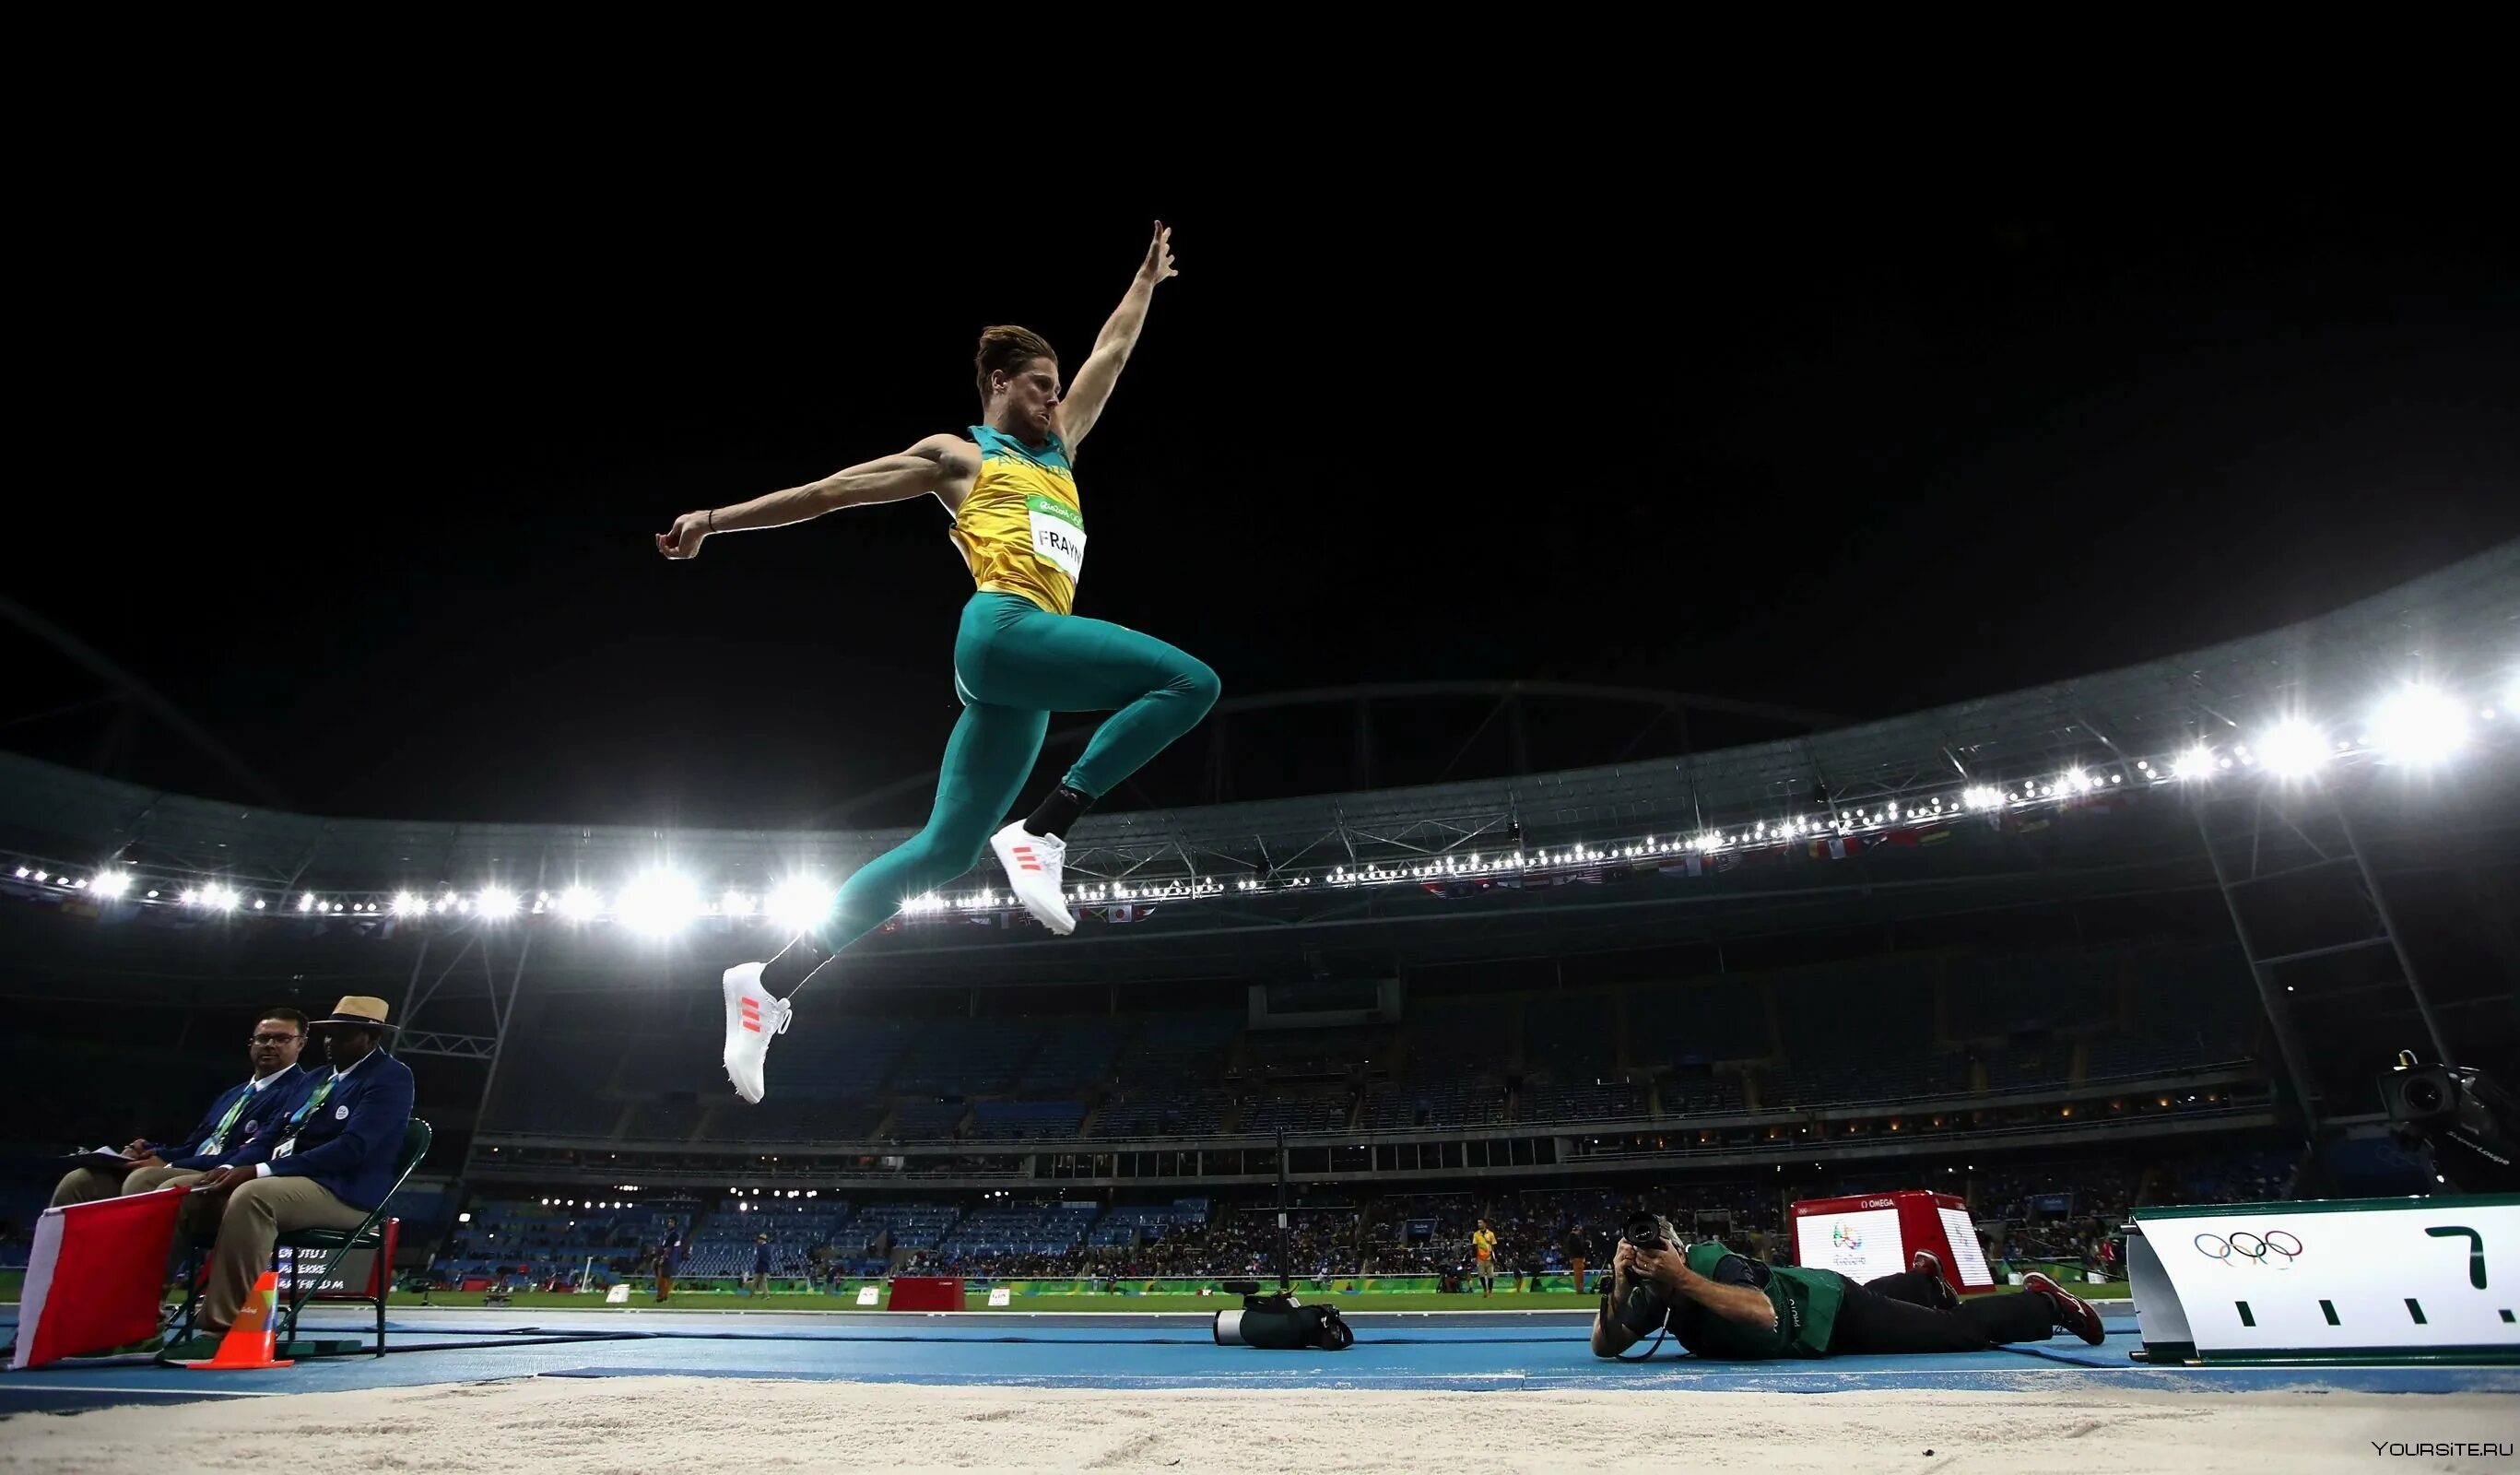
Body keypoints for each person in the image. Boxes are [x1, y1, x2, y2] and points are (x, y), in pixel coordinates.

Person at [657, 223, 1218, 1105]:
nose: (1052, 398)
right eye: (1038, 386)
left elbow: (1113, 349)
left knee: (944, 850)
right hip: (1001, 630)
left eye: (1056, 388)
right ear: (999, 384)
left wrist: (1145, 281)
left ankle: (767, 983)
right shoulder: (961, 455)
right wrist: (716, 520)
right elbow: (827, 493)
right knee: (1191, 681)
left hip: (1021, 678)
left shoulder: (1062, 448)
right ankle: (1048, 828)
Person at [162, 997, 416, 1354]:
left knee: (254, 1197)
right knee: (178, 1191)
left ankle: (222, 1330)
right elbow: (270, 1137)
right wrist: (230, 1168)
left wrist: (261, 1171)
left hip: (345, 1192)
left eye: (343, 1036)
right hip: (291, 1181)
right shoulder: (315, 1079)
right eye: (328, 1036)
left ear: (371, 1037)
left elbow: (353, 1148)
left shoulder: (390, 1078)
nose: (330, 1043)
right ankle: (143, 1318)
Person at [1590, 1223, 2107, 1361]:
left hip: (1828, 1311)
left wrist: (1683, 1279)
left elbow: (1763, 1315)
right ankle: (1923, 1283)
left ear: (1679, 1249)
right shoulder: (1652, 1293)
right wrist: (1619, 1284)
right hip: (1817, 1319)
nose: (1652, 1259)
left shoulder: (1708, 1260)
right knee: (1894, 1304)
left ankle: (2042, 1303)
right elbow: (1605, 1346)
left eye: (1661, 1250)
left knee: (1954, 1333)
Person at [52, 1009, 320, 1206]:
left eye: (282, 1038)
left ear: (301, 1044)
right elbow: (196, 1145)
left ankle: (142, 1277)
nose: (270, 1045)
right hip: (189, 1168)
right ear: (251, 1044)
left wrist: (169, 1164)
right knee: (80, 1181)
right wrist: (151, 1151)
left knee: (143, 1179)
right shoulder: (233, 1094)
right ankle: (60, 1274)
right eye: (263, 1038)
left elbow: (251, 1154)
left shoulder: (301, 1092)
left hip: (230, 1179)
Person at [1471, 1218, 1499, 1298]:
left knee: (1491, 1276)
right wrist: (1474, 1257)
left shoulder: (1491, 1234)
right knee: (1481, 1275)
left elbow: (1494, 1246)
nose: (1479, 1224)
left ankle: (1490, 1291)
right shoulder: (1476, 1234)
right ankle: (1485, 1290)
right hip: (1480, 1258)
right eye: (1478, 1223)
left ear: (1485, 1224)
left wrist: (1495, 1256)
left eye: (1480, 1223)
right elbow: (1474, 1246)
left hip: (1489, 1258)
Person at [751, 1233, 773, 1297]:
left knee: (761, 1282)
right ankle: (752, 1294)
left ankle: (766, 1296)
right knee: (756, 1282)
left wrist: (764, 1268)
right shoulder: (767, 1247)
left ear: (761, 1240)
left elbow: (763, 1258)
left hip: (762, 1267)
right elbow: (768, 1258)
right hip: (762, 1267)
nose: (758, 1241)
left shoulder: (762, 1247)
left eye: (759, 1239)